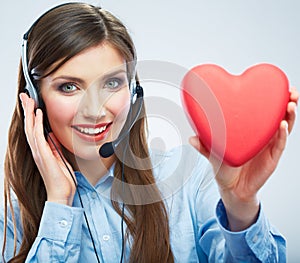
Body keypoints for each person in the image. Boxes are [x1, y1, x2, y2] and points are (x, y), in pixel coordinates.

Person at [1, 2, 298, 263]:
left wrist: (241, 206)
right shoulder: (13, 219)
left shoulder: (190, 177)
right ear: (34, 99)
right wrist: (58, 203)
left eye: (112, 83)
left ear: (133, 92)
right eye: (69, 87)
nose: (94, 110)